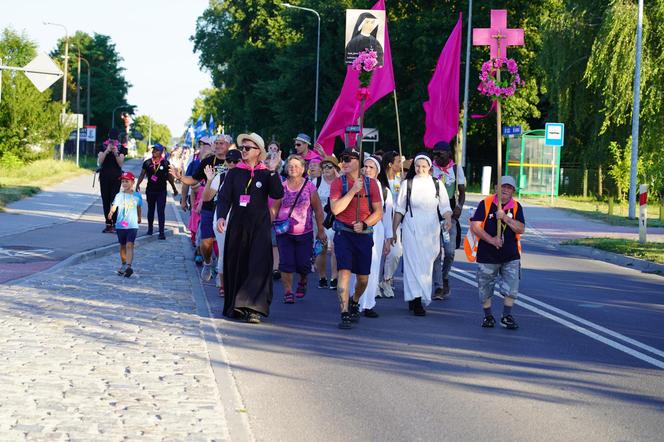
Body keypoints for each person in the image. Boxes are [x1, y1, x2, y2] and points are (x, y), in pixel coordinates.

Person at [216, 132, 284, 324]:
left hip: (260, 226)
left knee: (258, 266)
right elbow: (224, 197)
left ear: (257, 152)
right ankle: (237, 305)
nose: (243, 151)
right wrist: (221, 216)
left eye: (247, 148)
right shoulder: (234, 172)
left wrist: (273, 171)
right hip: (238, 225)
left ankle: (254, 308)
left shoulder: (266, 172)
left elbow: (278, 193)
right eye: (242, 148)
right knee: (238, 263)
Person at [329, 148, 383, 329]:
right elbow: (336, 209)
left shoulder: (372, 184)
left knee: (363, 279)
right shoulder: (338, 183)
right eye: (342, 159)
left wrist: (366, 224)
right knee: (344, 271)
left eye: (348, 159)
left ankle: (355, 300)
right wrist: (352, 190)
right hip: (343, 233)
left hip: (364, 235)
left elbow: (378, 212)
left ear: (357, 162)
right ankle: (344, 311)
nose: (343, 163)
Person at [392, 154, 452, 316]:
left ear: (429, 167)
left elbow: (445, 207)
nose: (420, 169)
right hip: (412, 227)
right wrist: (393, 230)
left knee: (426, 264)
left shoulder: (437, 184)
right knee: (413, 264)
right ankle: (417, 299)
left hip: (431, 230)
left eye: (424, 166)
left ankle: (417, 295)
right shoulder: (407, 184)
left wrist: (448, 220)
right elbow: (400, 209)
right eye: (417, 166)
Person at [172, 134, 230, 281]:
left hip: (228, 207)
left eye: (221, 143)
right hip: (209, 206)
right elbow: (193, 179)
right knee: (206, 242)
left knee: (226, 242)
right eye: (215, 143)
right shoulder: (208, 162)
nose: (218, 146)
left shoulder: (234, 160)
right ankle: (208, 262)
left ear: (228, 145)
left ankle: (221, 271)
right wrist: (180, 177)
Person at [469, 176, 525, 330]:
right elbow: (475, 226)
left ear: (513, 191)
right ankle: (487, 316)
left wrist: (505, 217)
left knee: (512, 287)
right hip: (488, 254)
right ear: (496, 188)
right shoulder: (486, 204)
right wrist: (491, 240)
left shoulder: (516, 207)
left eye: (509, 188)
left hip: (510, 255)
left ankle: (506, 316)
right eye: (503, 187)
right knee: (485, 286)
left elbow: (521, 228)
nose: (506, 190)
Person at [271, 155, 326, 303]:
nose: (293, 168)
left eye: (296, 166)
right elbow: (274, 209)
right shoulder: (281, 186)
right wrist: (266, 224)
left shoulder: (309, 187)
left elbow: (318, 210)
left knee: (303, 264)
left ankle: (303, 281)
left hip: (305, 232)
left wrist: (320, 230)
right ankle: (288, 291)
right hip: (284, 232)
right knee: (286, 263)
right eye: (290, 166)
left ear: (303, 169)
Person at [354, 155, 392, 317]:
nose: (367, 170)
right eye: (366, 167)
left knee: (372, 267)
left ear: (377, 171)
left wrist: (388, 239)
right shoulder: (356, 185)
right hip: (357, 230)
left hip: (376, 231)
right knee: (356, 266)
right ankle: (353, 301)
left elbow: (388, 215)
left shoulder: (384, 190)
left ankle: (368, 303)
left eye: (371, 167)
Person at [203, 148, 242, 294]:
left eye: (235, 161)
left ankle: (236, 283)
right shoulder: (221, 177)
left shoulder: (247, 177)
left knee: (239, 253)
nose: (231, 164)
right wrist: (209, 180)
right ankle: (223, 285)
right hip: (222, 221)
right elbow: (206, 198)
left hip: (241, 221)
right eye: (229, 161)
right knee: (224, 252)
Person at [431, 140, 466, 300]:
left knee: (450, 252)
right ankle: (438, 286)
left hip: (450, 215)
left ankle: (444, 277)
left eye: (440, 153)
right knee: (436, 253)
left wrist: (459, 206)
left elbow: (462, 192)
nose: (437, 156)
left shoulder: (456, 169)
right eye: (435, 153)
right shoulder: (430, 168)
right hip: (432, 214)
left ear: (449, 154)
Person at [135, 143, 178, 239]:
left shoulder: (166, 163)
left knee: (160, 211)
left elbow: (170, 178)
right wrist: (137, 184)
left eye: (156, 150)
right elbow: (142, 174)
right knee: (151, 210)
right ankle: (150, 229)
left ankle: (161, 232)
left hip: (161, 191)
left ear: (161, 152)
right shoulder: (147, 162)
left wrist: (174, 188)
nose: (154, 151)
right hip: (150, 190)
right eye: (153, 149)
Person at [108, 171, 142, 278]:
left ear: (132, 182)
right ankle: (123, 264)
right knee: (122, 246)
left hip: (132, 225)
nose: (124, 184)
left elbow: (138, 207)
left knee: (129, 244)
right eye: (123, 181)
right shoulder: (119, 195)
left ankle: (128, 266)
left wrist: (140, 217)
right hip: (120, 225)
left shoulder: (137, 196)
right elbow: (114, 205)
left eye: (127, 181)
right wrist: (111, 212)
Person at [379, 151, 403, 298]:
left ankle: (386, 280)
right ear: (390, 164)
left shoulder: (402, 181)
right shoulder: (380, 182)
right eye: (398, 162)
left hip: (396, 223)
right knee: (379, 254)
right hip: (380, 220)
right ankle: (374, 283)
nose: (401, 164)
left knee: (395, 253)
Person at [315, 156, 340, 289]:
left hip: (335, 221)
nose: (326, 169)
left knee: (335, 250)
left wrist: (338, 177)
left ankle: (334, 278)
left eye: (329, 166)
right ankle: (322, 277)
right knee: (321, 250)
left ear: (336, 168)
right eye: (324, 167)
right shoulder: (317, 181)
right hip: (320, 220)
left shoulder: (341, 182)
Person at [97, 133, 127, 233]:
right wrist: (106, 151)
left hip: (116, 178)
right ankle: (108, 224)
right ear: (108, 139)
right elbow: (100, 162)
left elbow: (120, 163)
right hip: (104, 177)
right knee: (105, 200)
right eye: (111, 141)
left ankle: (114, 223)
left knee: (114, 200)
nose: (112, 143)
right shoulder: (102, 146)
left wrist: (116, 153)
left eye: (114, 141)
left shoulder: (121, 148)